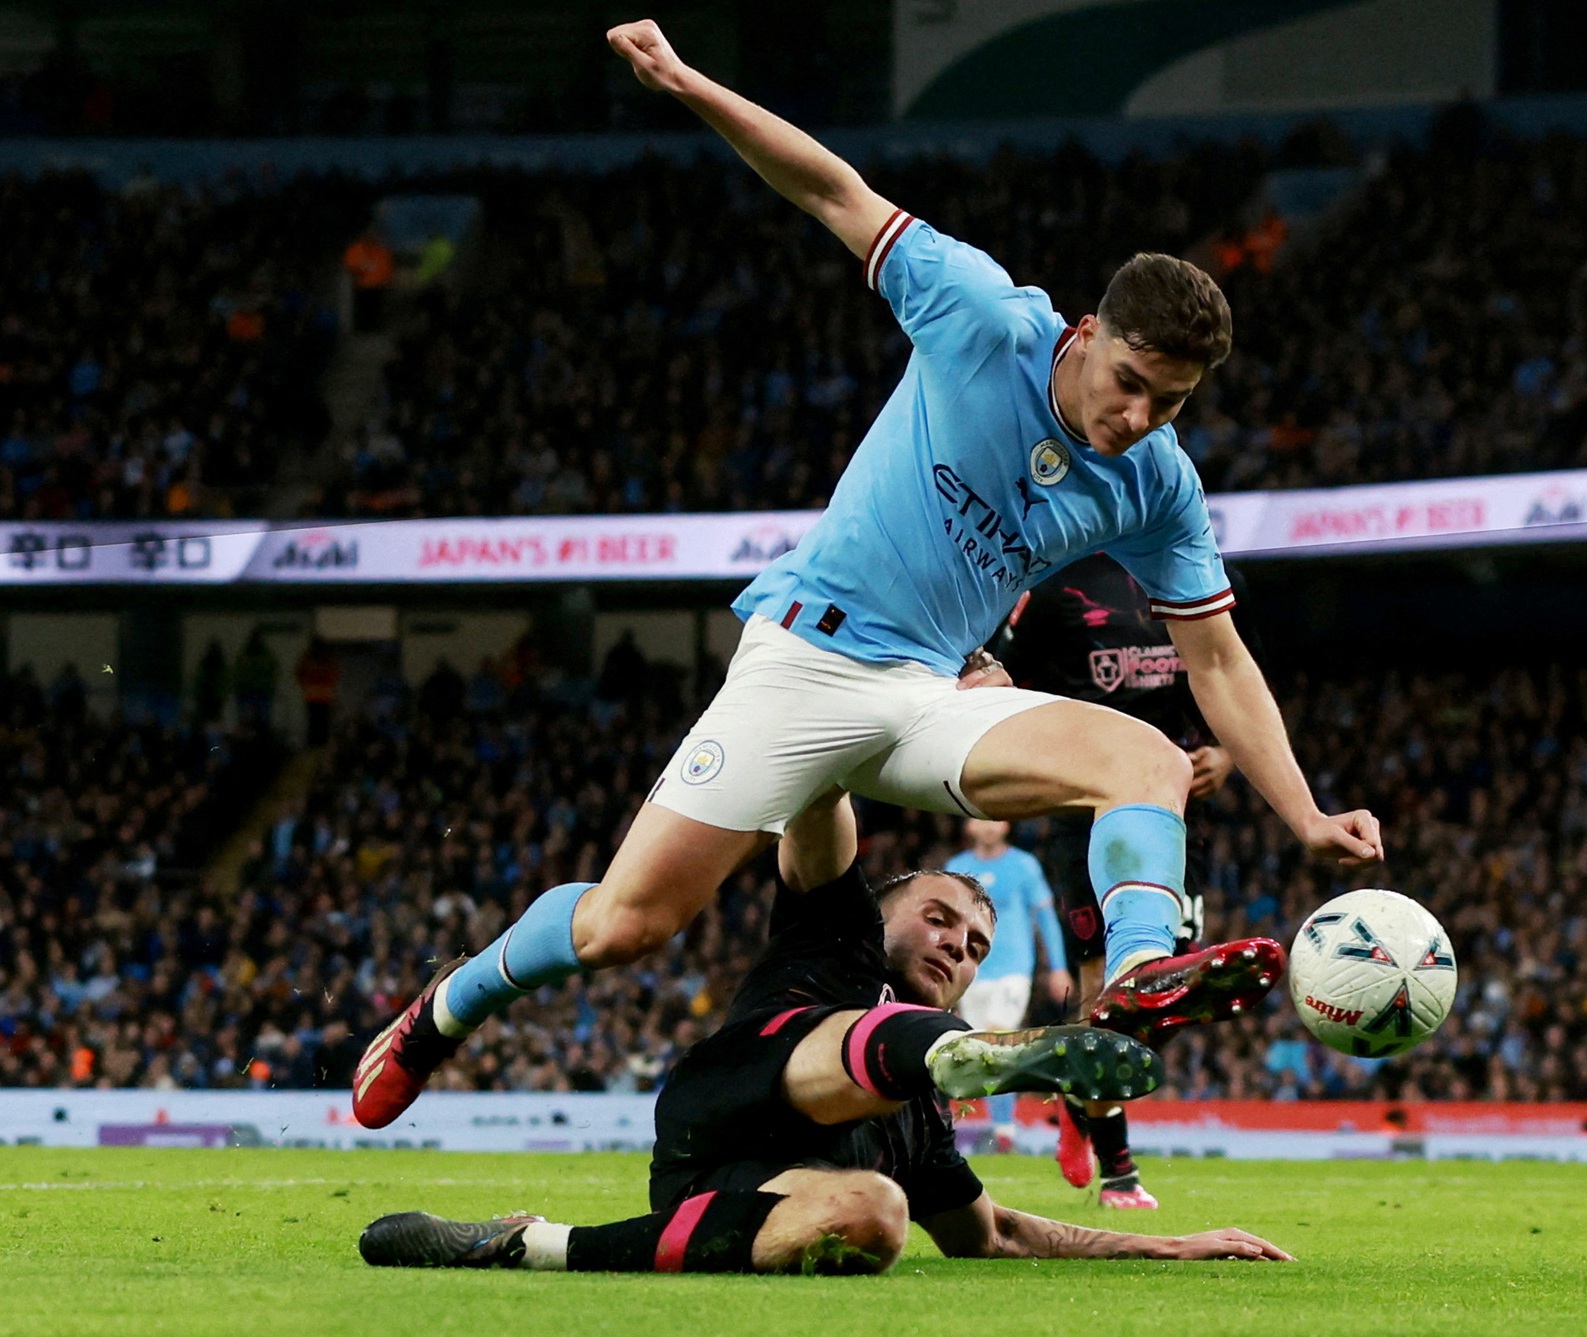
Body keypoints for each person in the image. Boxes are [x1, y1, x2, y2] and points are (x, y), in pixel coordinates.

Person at [351, 18, 1383, 1132]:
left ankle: (1132, 982)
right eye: (1128, 383)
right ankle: (443, 1005)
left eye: (1169, 403)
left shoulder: (1155, 482)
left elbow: (1215, 655)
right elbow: (831, 190)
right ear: (1086, 333)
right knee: (625, 926)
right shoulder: (979, 315)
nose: (1136, 419)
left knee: (1144, 756)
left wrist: (1305, 811)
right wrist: (687, 80)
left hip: (928, 698)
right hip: (806, 662)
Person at [358, 793, 1288, 1275]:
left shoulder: (923, 1118)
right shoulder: (833, 926)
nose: (955, 947)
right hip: (728, 1089)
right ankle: (1001, 1053)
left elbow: (990, 1235)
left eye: (973, 948)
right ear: (887, 909)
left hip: (729, 1193)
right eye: (939, 918)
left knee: (875, 1214)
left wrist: (1171, 1245)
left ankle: (530, 1244)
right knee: (889, 1039)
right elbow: (819, 802)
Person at [1001, 551, 1237, 1208]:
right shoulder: (1053, 591)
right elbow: (1008, 693)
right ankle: (1121, 1168)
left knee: (1157, 992)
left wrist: (1227, 752)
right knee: (1107, 990)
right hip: (1083, 810)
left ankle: (1080, 1095)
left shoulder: (1194, 571)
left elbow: (1231, 676)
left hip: (1175, 809)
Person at [943, 819, 1070, 1151]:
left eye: (993, 819)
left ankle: (1004, 1133)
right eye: (978, 819)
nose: (986, 827)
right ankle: (1001, 1127)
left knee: (997, 1040)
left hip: (1014, 969)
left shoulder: (1023, 866)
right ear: (968, 825)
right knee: (981, 1050)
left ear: (1005, 825)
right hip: (972, 970)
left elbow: (1045, 919)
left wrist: (1058, 968)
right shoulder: (957, 868)